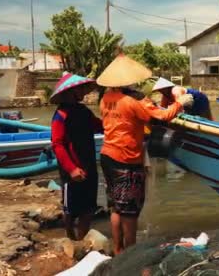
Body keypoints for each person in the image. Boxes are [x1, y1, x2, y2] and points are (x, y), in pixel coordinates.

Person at [97, 54, 193, 255]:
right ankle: (130, 254)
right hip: (127, 158)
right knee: (130, 211)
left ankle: (118, 249)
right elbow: (162, 116)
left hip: (107, 155)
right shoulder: (134, 100)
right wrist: (180, 102)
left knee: (115, 206)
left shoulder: (105, 98)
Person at [50, 72, 102, 241]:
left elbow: (99, 126)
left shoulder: (83, 111)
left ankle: (82, 239)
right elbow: (57, 144)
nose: (83, 93)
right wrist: (71, 169)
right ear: (71, 92)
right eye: (80, 90)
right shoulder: (60, 115)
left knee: (88, 208)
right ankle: (70, 236)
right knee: (70, 209)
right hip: (71, 168)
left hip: (88, 165)